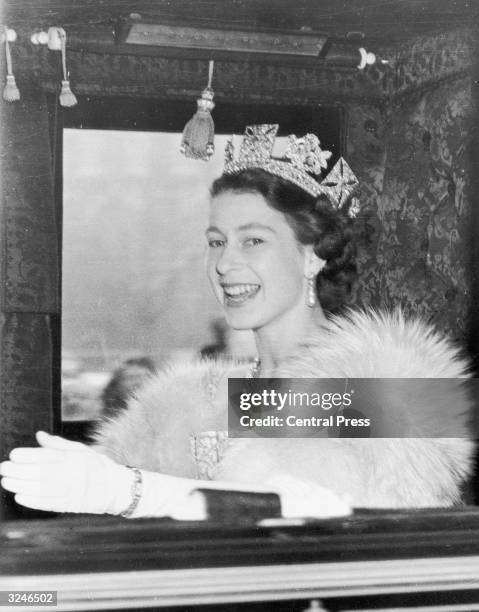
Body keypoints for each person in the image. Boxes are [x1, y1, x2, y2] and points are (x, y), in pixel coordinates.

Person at [0, 125, 474, 520]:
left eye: (253, 241)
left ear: (312, 257)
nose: (224, 264)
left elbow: (320, 522)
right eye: (215, 241)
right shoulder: (186, 401)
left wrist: (129, 492)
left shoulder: (389, 383)